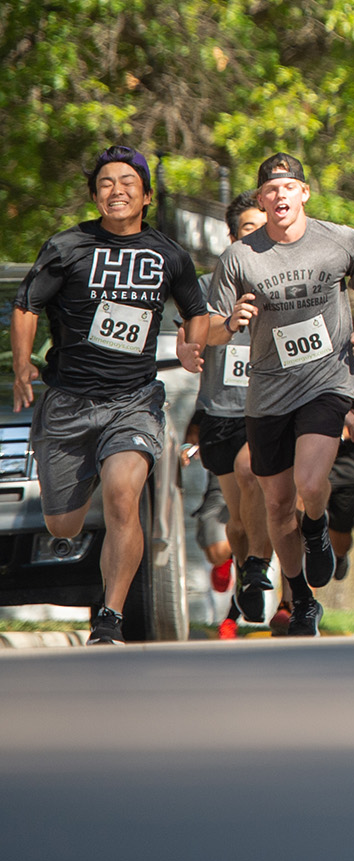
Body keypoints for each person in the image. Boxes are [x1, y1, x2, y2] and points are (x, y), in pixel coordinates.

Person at [12, 146, 217, 645]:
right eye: (106, 182)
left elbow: (197, 308)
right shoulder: (67, 246)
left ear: (146, 196)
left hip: (134, 400)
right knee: (62, 525)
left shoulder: (168, 254)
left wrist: (192, 346)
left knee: (124, 496)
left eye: (128, 182)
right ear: (95, 195)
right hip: (68, 400)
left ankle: (110, 616)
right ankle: (84, 537)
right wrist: (21, 365)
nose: (116, 190)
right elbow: (26, 304)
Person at [201, 153, 354, 638]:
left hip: (327, 379)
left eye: (288, 187)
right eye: (270, 191)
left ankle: (318, 522)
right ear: (261, 201)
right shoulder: (241, 257)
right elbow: (207, 329)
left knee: (308, 483)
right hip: (268, 390)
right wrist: (229, 323)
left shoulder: (339, 239)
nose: (279, 196)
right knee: (278, 503)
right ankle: (301, 599)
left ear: (304, 192)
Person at [195, 192, 275, 630]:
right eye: (248, 228)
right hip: (221, 411)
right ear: (232, 237)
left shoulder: (284, 280)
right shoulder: (210, 285)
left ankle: (276, 580)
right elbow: (194, 336)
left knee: (255, 477)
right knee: (239, 524)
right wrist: (220, 329)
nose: (257, 235)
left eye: (263, 227)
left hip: (269, 408)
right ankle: (248, 575)